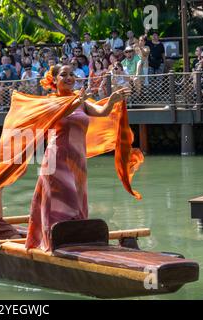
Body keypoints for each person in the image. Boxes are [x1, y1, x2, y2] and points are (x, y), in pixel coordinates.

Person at [25, 64, 131, 251]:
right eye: (63, 75)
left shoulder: (81, 100)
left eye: (71, 74)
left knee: (77, 197)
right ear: (54, 80)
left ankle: (76, 241)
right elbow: (59, 114)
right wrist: (76, 102)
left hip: (78, 160)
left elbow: (102, 112)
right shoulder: (51, 101)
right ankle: (54, 242)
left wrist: (112, 100)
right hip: (57, 158)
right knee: (65, 198)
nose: (69, 78)